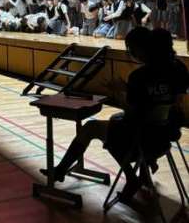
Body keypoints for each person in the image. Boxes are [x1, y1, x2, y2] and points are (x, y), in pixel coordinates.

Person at [42, 27, 189, 200]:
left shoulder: (139, 76)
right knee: (119, 122)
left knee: (92, 128)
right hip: (167, 136)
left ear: (142, 49)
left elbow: (133, 113)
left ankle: (128, 177)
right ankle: (145, 169)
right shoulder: (179, 68)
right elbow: (166, 100)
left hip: (142, 139)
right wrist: (129, 90)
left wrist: (118, 94)